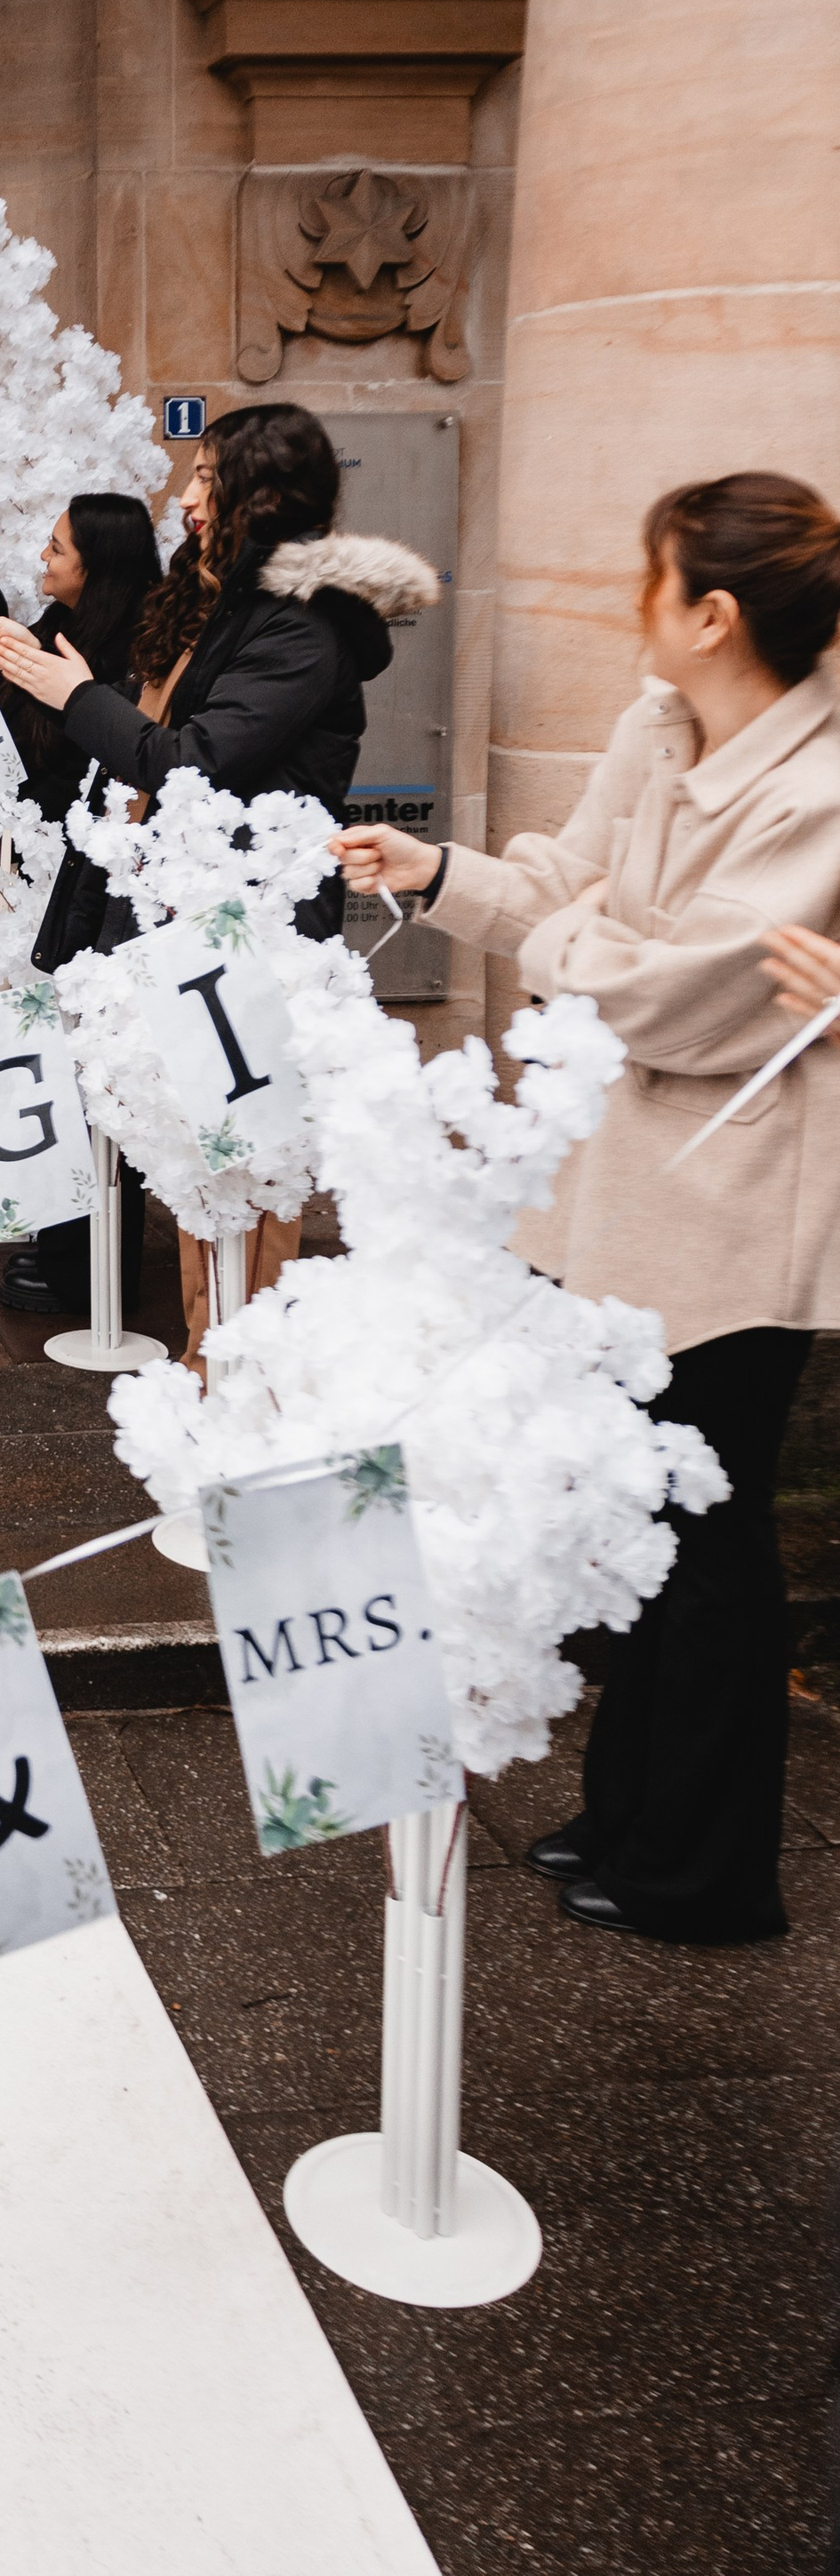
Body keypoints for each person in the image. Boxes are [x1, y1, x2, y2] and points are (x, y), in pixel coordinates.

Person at [334, 471, 840, 1948]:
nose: (635, 601)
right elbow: (573, 884)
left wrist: (592, 944)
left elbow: (678, 999)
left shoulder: (818, 792)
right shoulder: (659, 720)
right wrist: (433, 873)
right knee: (631, 1530)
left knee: (709, 1534)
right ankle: (625, 1821)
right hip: (618, 1192)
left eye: (654, 577)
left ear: (715, 614)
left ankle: (708, 1871)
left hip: (735, 1220)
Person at [0, 402, 436, 1358]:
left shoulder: (303, 633)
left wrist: (72, 694)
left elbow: (184, 761)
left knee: (243, 1180)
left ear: (258, 497)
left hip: (251, 940)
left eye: (205, 480)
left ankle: (235, 1378)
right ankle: (204, 1371)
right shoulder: (227, 603)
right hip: (183, 920)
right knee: (194, 1170)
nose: (184, 498)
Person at [0, 494, 162, 1316]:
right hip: (33, 875)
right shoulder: (70, 628)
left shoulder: (125, 654)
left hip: (77, 885)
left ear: (95, 565)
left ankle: (87, 1260)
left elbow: (70, 745)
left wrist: (41, 671)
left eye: (57, 545)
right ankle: (55, 1237)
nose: (45, 551)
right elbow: (9, 668)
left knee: (87, 1073)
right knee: (44, 1067)